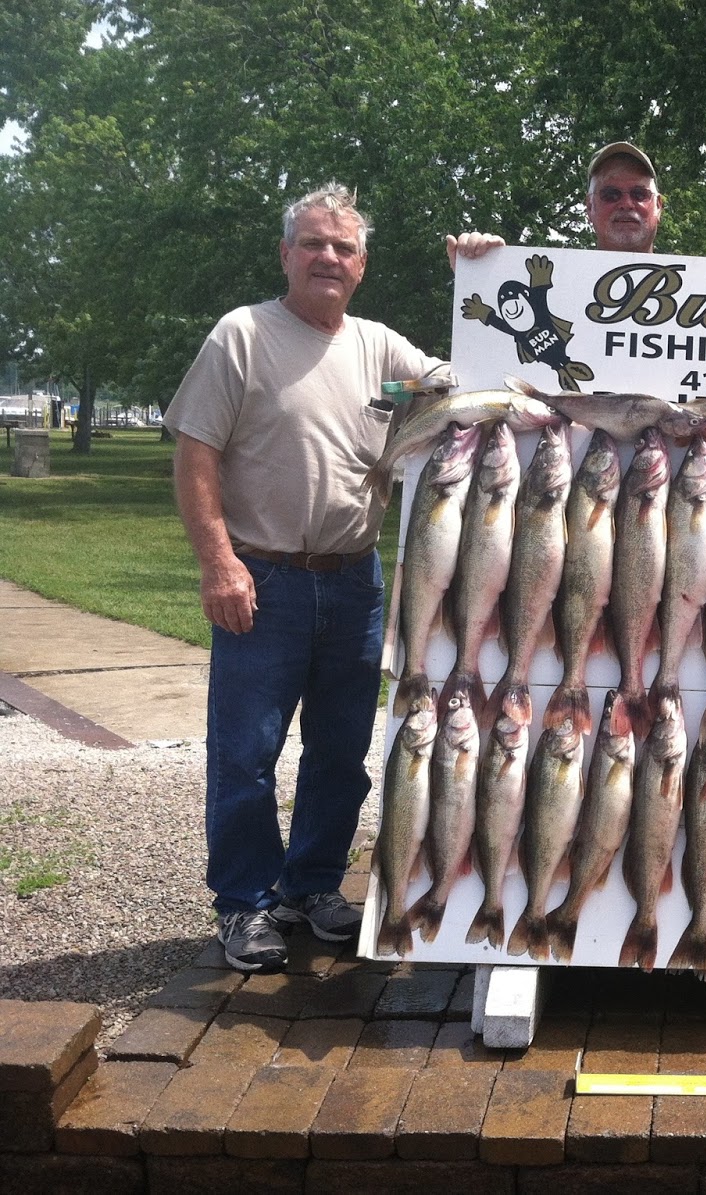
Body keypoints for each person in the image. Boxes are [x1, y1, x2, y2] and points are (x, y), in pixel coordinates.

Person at [167, 183, 445, 973]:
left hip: (356, 581)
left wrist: (482, 270)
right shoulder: (243, 336)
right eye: (314, 244)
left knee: (341, 750)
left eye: (344, 247)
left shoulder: (382, 350)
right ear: (286, 253)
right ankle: (246, 903)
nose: (329, 257)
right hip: (264, 579)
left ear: (362, 265)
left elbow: (459, 383)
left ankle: (314, 885)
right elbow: (195, 454)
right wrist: (218, 563)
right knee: (246, 753)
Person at [447, 140, 663, 267]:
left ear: (659, 206)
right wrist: (483, 272)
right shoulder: (552, 282)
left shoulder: (695, 293)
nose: (626, 203)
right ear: (589, 207)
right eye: (610, 194)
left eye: (639, 193)